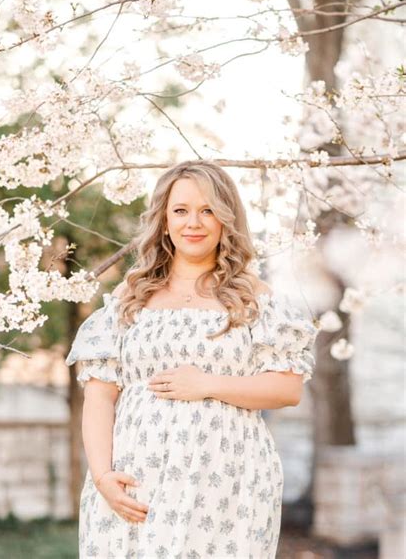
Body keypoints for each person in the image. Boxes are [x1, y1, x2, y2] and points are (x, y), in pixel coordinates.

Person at [66, 160, 318, 558]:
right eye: (180, 211)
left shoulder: (255, 299)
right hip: (135, 482)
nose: (193, 223)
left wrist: (207, 384)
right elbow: (100, 396)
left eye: (208, 210)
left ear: (226, 219)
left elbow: (287, 389)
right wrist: (102, 476)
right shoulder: (130, 300)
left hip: (225, 481)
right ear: (164, 222)